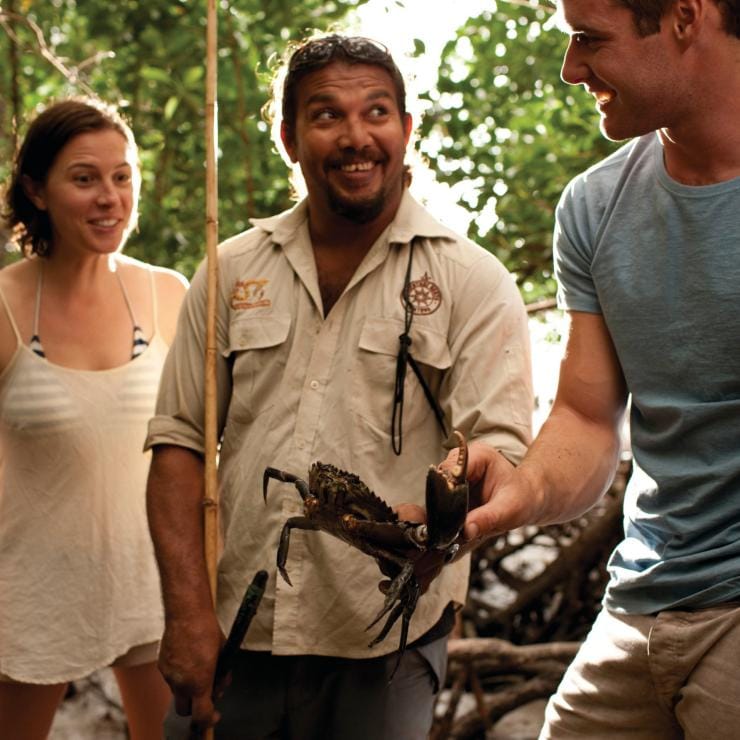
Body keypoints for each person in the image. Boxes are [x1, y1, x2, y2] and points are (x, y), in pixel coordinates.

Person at [145, 33, 533, 739]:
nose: (357, 136)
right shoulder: (229, 271)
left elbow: (501, 445)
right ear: (289, 137)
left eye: (377, 112)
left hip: (389, 640)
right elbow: (179, 444)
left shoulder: (471, 280)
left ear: (407, 129)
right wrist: (185, 614)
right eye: (327, 116)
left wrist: (456, 505)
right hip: (237, 632)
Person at [455, 1, 740, 737]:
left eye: (589, 40)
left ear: (684, 17)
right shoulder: (594, 207)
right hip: (641, 604)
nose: (570, 69)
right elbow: (586, 416)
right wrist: (518, 491)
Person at [0, 97, 188, 740]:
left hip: (152, 581)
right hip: (27, 592)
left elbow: (203, 449)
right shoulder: (3, 306)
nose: (110, 197)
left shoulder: (168, 294)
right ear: (37, 189)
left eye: (122, 175)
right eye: (85, 179)